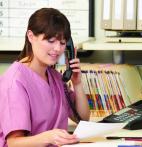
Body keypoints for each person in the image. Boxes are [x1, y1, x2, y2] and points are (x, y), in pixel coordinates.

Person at [0, 8, 90, 147]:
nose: (57, 49)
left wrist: (77, 83)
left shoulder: (55, 77)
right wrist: (49, 137)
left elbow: (83, 119)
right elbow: (14, 143)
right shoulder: (15, 82)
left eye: (62, 43)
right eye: (50, 40)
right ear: (31, 36)